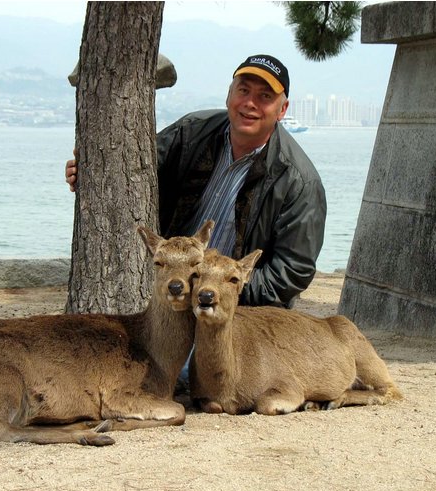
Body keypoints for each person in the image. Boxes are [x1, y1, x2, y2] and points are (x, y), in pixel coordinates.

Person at [66, 54, 327, 392]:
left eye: (265, 97)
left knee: (171, 376)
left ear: (282, 108)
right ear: (229, 93)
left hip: (229, 311)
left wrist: (218, 288)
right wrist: (89, 174)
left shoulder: (299, 182)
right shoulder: (192, 132)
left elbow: (292, 273)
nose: (250, 104)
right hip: (171, 288)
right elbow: (132, 170)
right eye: (243, 90)